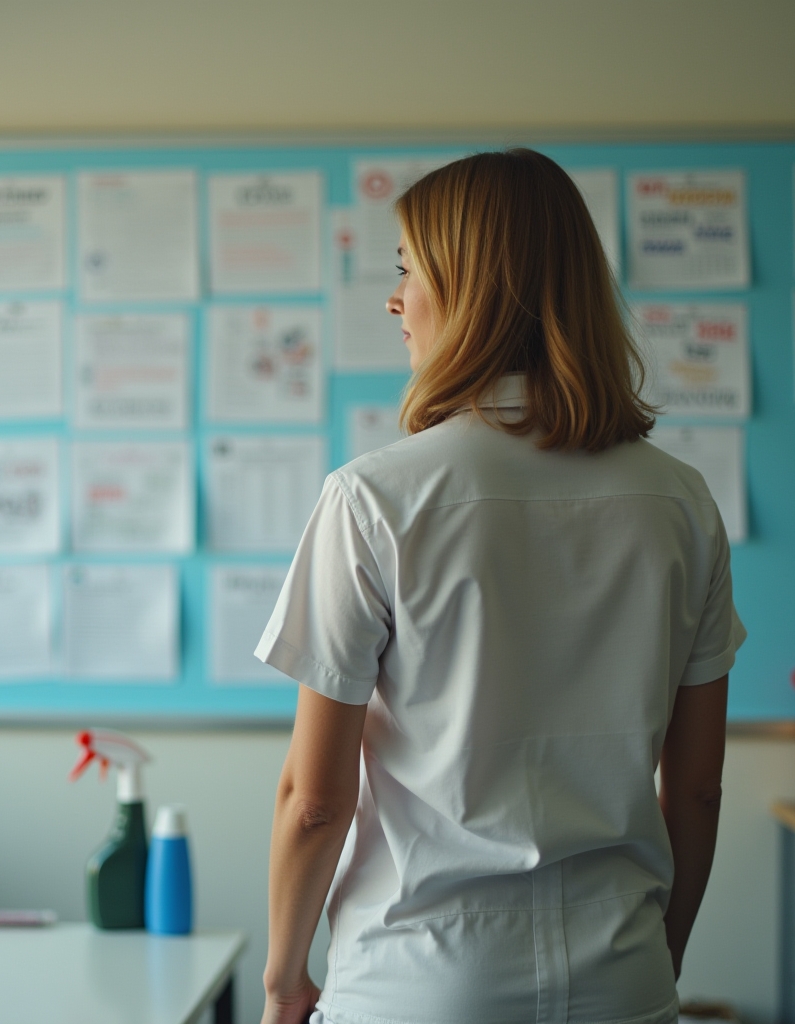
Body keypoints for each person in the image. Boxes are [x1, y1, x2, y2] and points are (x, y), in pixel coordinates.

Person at [255, 149, 742, 1024]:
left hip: (416, 985)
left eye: (409, 269)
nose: (396, 300)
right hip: (622, 977)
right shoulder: (681, 502)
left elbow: (315, 801)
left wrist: (285, 981)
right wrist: (655, 959)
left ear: (474, 286)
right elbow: (698, 789)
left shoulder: (374, 500)